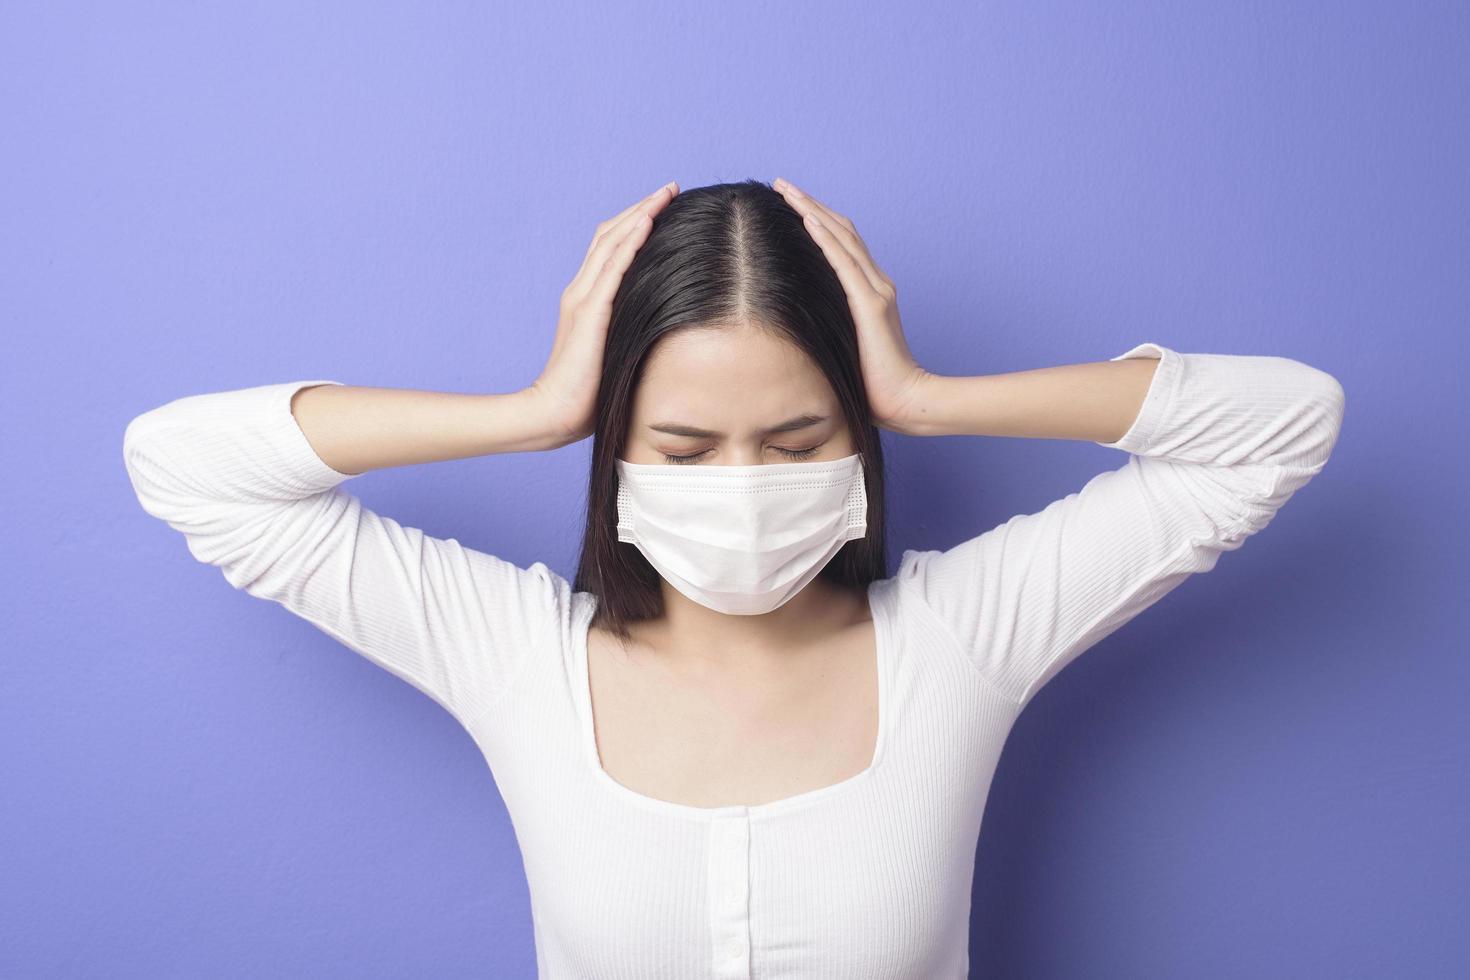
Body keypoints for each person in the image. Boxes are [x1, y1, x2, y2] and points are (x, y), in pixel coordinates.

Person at [122, 177, 1346, 978]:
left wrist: (926, 396)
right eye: (685, 447)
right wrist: (532, 410)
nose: (745, 481)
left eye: (799, 441)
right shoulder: (511, 651)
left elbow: (1284, 425)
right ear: (617, 450)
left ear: (855, 435)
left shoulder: (964, 632)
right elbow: (185, 465)